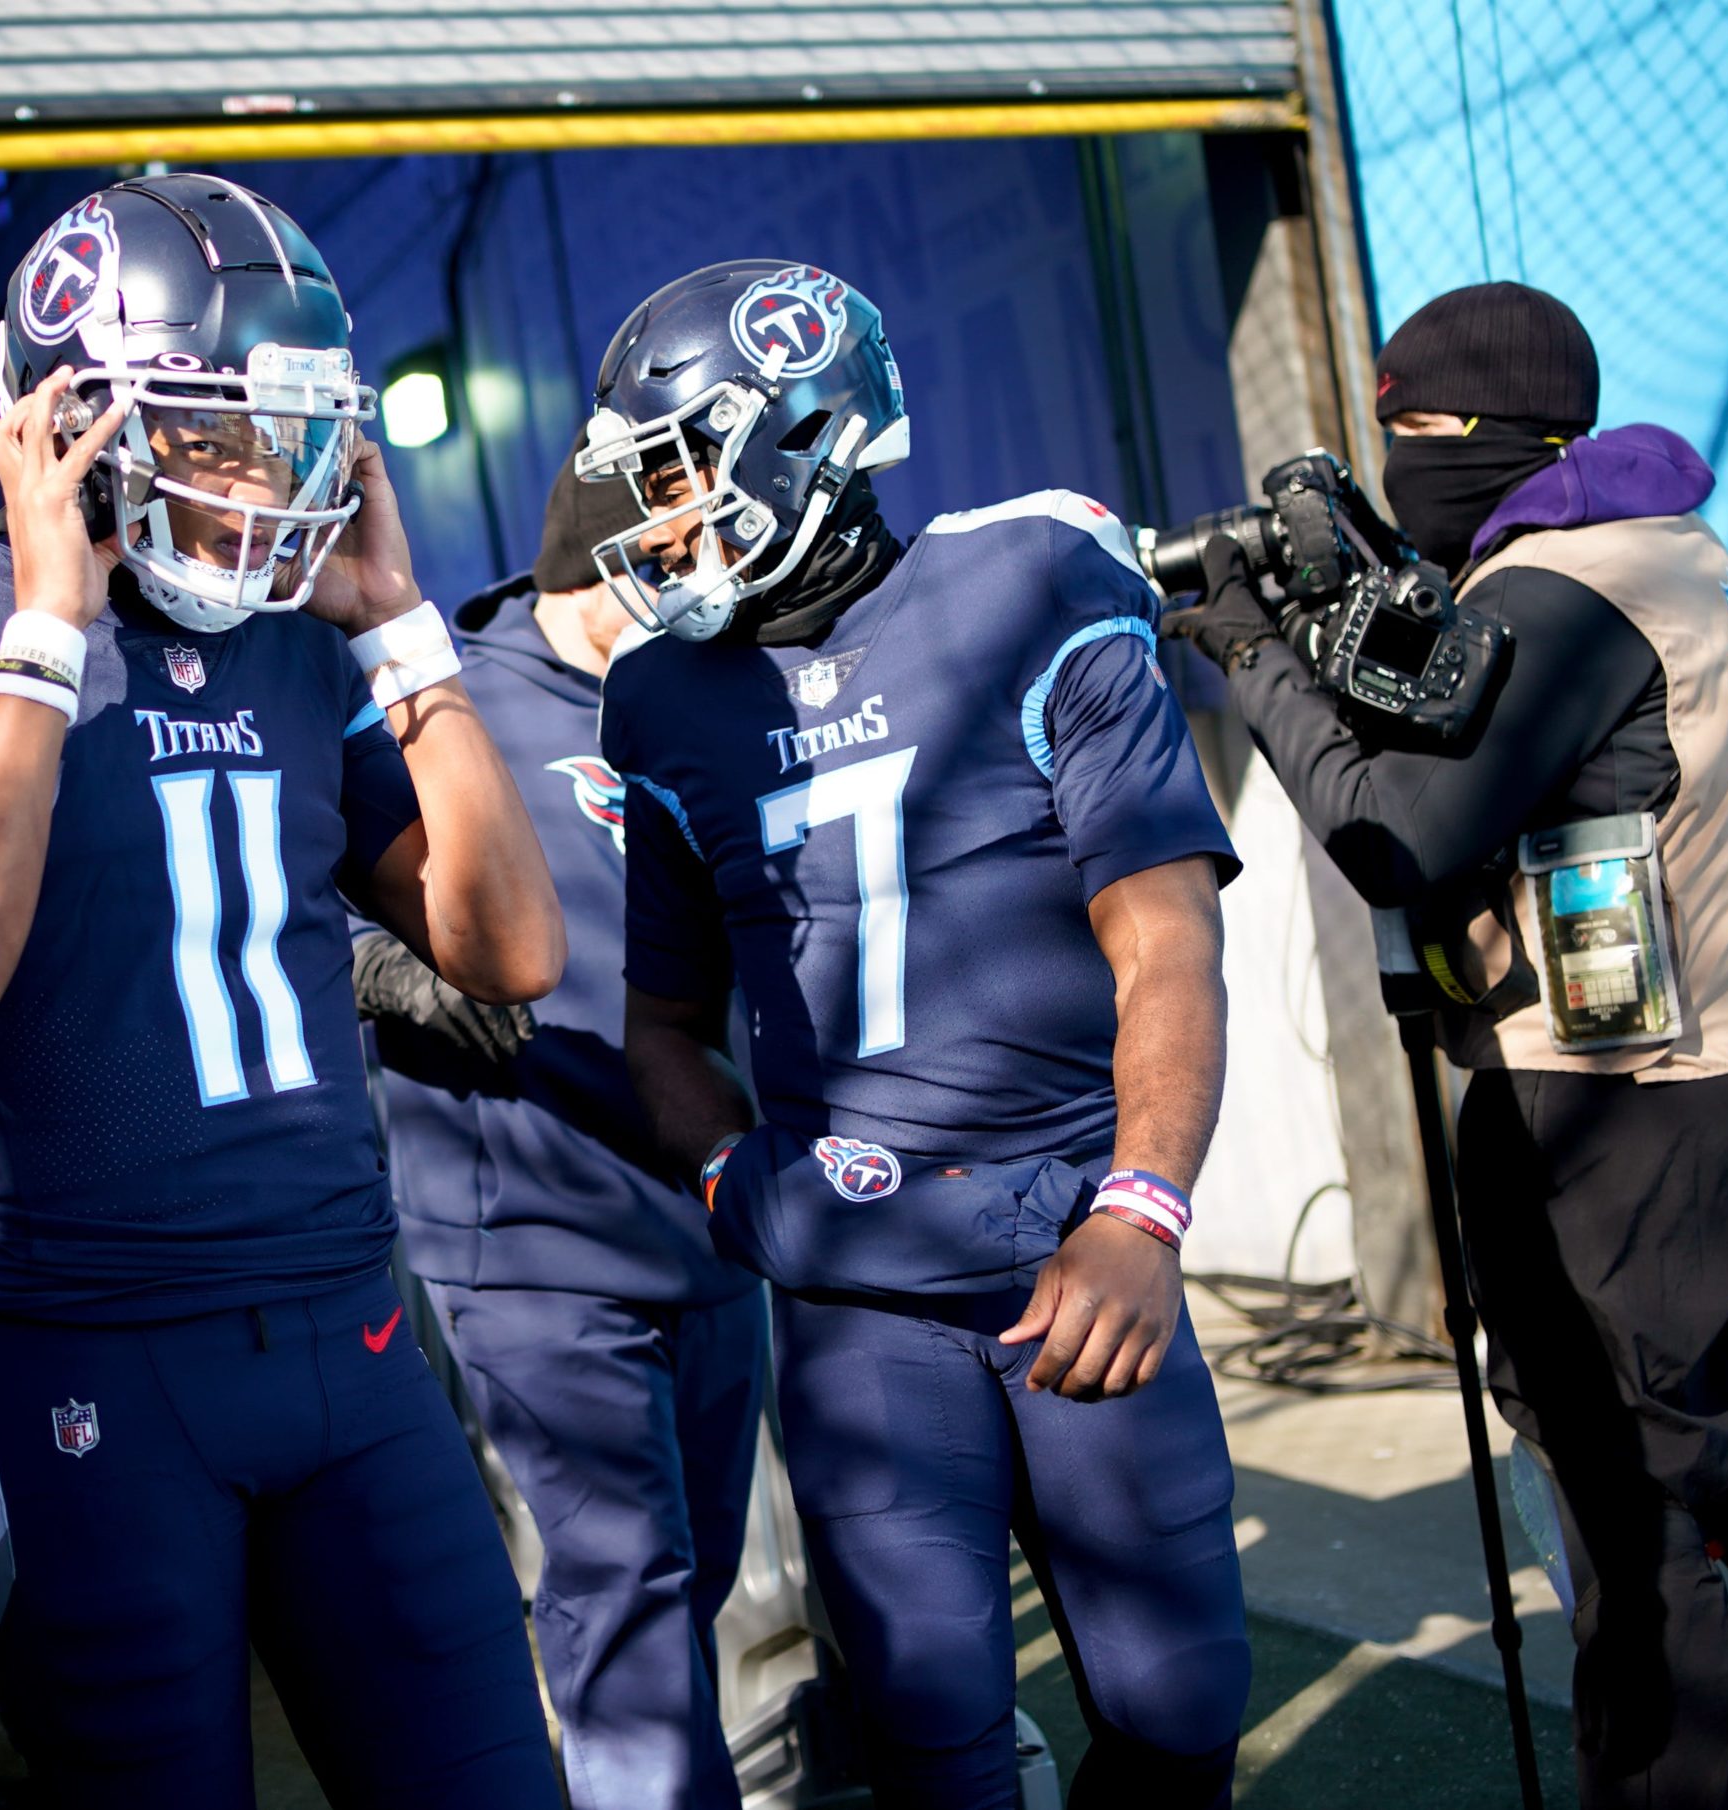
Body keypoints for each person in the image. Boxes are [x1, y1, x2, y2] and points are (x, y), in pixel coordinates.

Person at [0, 173, 567, 1808]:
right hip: (101, 1359)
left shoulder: (306, 633)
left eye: (294, 432)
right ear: (71, 422)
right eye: (218, 430)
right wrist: (47, 627)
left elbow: (510, 951)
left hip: (358, 1331)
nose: (268, 483)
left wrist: (402, 636)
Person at [1176, 280, 1728, 1808]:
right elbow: (1496, 722)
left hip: (1622, 1119)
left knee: (1631, 1510)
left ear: (1467, 429)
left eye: (1404, 424)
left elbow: (1398, 833)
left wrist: (1246, 648)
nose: (1393, 455)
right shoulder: (1664, 547)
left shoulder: (1554, 597)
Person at [591, 260, 1252, 1807]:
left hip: (1071, 1242)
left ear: (807, 433)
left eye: (683, 467)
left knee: (1179, 1705)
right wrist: (726, 1178)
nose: (663, 518)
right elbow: (662, 1029)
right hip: (858, 1291)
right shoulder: (669, 700)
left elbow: (1165, 937)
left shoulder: (1030, 578)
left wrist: (1143, 1207)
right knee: (932, 1723)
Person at [361, 436, 768, 1809]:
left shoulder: (714, 682)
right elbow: (285, 874)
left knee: (696, 1571)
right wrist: (382, 967)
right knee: (623, 1597)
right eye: (666, 555)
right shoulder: (440, 701)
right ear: (595, 552)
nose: (699, 575)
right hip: (529, 1221)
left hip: (712, 1207)